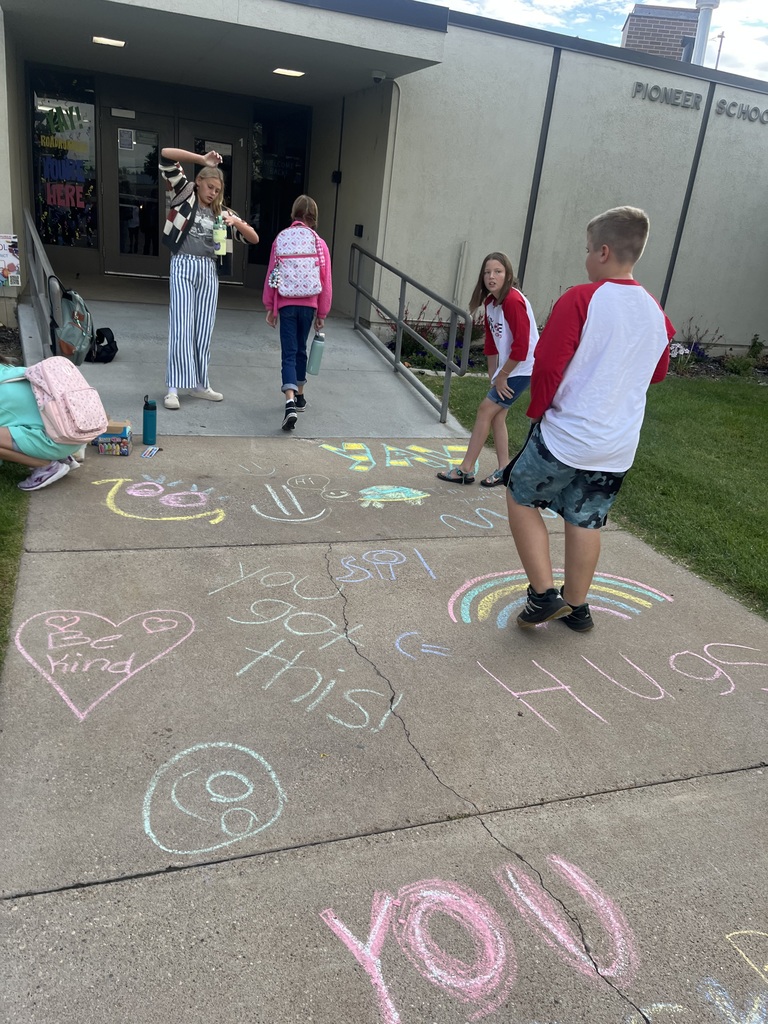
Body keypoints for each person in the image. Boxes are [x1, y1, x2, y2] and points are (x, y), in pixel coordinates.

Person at [506, 206, 674, 631]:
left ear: (603, 251)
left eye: (586, 250)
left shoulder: (582, 298)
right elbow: (656, 373)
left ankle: (543, 594)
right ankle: (577, 606)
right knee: (585, 518)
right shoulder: (656, 313)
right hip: (616, 445)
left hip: (567, 435)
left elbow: (547, 364)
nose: (584, 258)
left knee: (520, 495)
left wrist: (538, 411)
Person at [159, 148, 259, 410]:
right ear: (199, 182)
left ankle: (201, 385)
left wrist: (235, 222)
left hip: (209, 270)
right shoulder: (183, 195)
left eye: (217, 189)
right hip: (183, 263)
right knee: (181, 325)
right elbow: (166, 154)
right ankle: (173, 388)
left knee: (203, 330)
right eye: (210, 186)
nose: (213, 192)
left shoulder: (222, 212)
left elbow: (254, 238)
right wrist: (202, 160)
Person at [436, 252, 538, 486]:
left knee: (485, 410)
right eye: (487, 272)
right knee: (497, 415)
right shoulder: (491, 302)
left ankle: (465, 469)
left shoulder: (513, 300)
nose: (491, 276)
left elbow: (522, 348)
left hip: (523, 367)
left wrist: (503, 376)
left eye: (498, 272)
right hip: (509, 367)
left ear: (508, 275)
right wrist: (493, 376)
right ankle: (504, 470)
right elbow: (492, 342)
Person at [262, 195, 332, 431]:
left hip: (287, 303)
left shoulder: (281, 239)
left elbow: (273, 273)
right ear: (314, 218)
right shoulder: (319, 243)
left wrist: (270, 306)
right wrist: (322, 312)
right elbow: (326, 280)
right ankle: (300, 395)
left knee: (288, 353)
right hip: (309, 304)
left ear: (294, 214)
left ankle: (289, 402)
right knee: (301, 349)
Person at [0, 364, 83, 491]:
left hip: (56, 443)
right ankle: (59, 456)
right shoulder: (13, 371)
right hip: (73, 434)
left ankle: (47, 467)